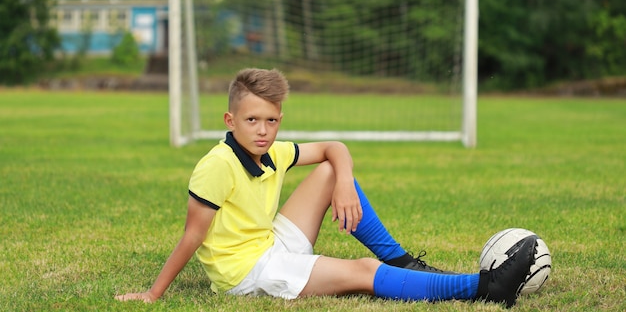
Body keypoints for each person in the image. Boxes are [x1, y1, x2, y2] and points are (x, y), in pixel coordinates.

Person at [115, 68, 536, 308]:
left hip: (270, 242)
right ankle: (485, 289)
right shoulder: (216, 166)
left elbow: (335, 148)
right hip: (249, 270)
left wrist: (345, 183)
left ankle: (405, 263)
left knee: (330, 171)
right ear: (230, 121)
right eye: (252, 121)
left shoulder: (273, 151)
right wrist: (153, 294)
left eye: (272, 120)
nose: (263, 132)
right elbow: (193, 235)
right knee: (364, 273)